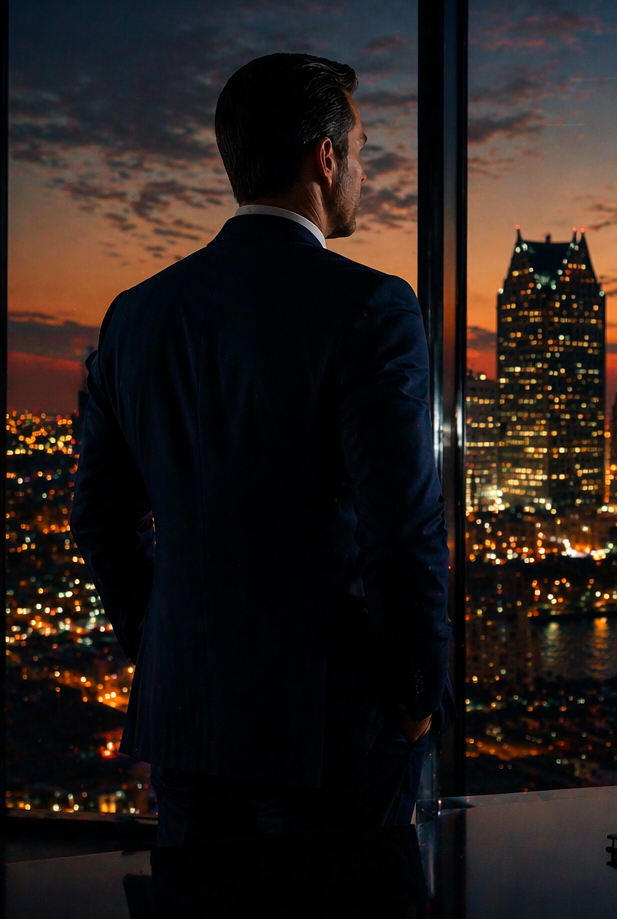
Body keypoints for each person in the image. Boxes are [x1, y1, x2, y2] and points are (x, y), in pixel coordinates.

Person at [71, 53, 450, 846]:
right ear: (326, 157)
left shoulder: (134, 318)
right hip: (328, 732)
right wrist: (416, 698)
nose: (364, 172)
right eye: (364, 150)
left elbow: (101, 522)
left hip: (187, 724)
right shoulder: (372, 308)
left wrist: (163, 648)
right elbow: (402, 532)